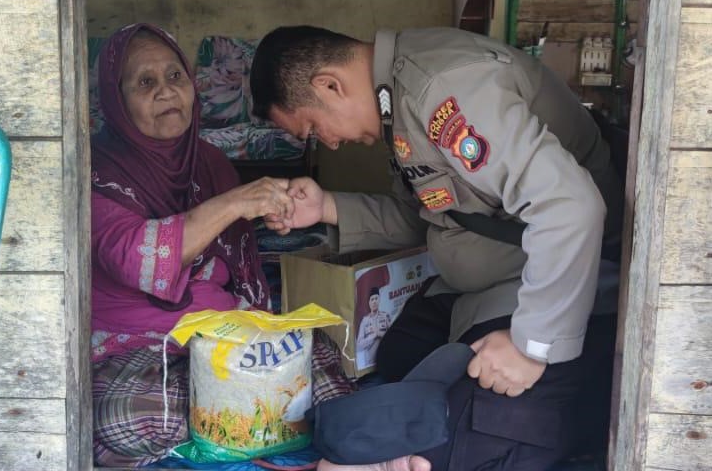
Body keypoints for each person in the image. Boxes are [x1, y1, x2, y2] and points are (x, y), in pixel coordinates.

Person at [251, 26, 623, 471]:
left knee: (475, 434)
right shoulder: (401, 104)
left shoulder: (444, 91)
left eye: (314, 127)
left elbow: (571, 206)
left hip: (552, 289)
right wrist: (328, 207)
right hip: (480, 286)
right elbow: (431, 214)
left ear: (329, 84)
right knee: (399, 352)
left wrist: (531, 347)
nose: (328, 142)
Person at [89, 23, 353, 467]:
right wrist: (235, 203)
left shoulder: (208, 163)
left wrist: (272, 213)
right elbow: (138, 260)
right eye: (145, 82)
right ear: (117, 99)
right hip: (137, 346)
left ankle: (318, 445)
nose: (166, 92)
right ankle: (261, 431)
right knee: (139, 415)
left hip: (219, 333)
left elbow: (236, 258)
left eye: (175, 77)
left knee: (322, 358)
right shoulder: (95, 171)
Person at [356, 287, 391, 368]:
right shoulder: (364, 321)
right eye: (372, 299)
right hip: (371, 364)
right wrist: (373, 337)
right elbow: (358, 346)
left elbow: (393, 336)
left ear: (379, 300)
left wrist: (379, 333)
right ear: (369, 302)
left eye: (376, 298)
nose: (374, 301)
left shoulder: (386, 316)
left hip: (387, 359)